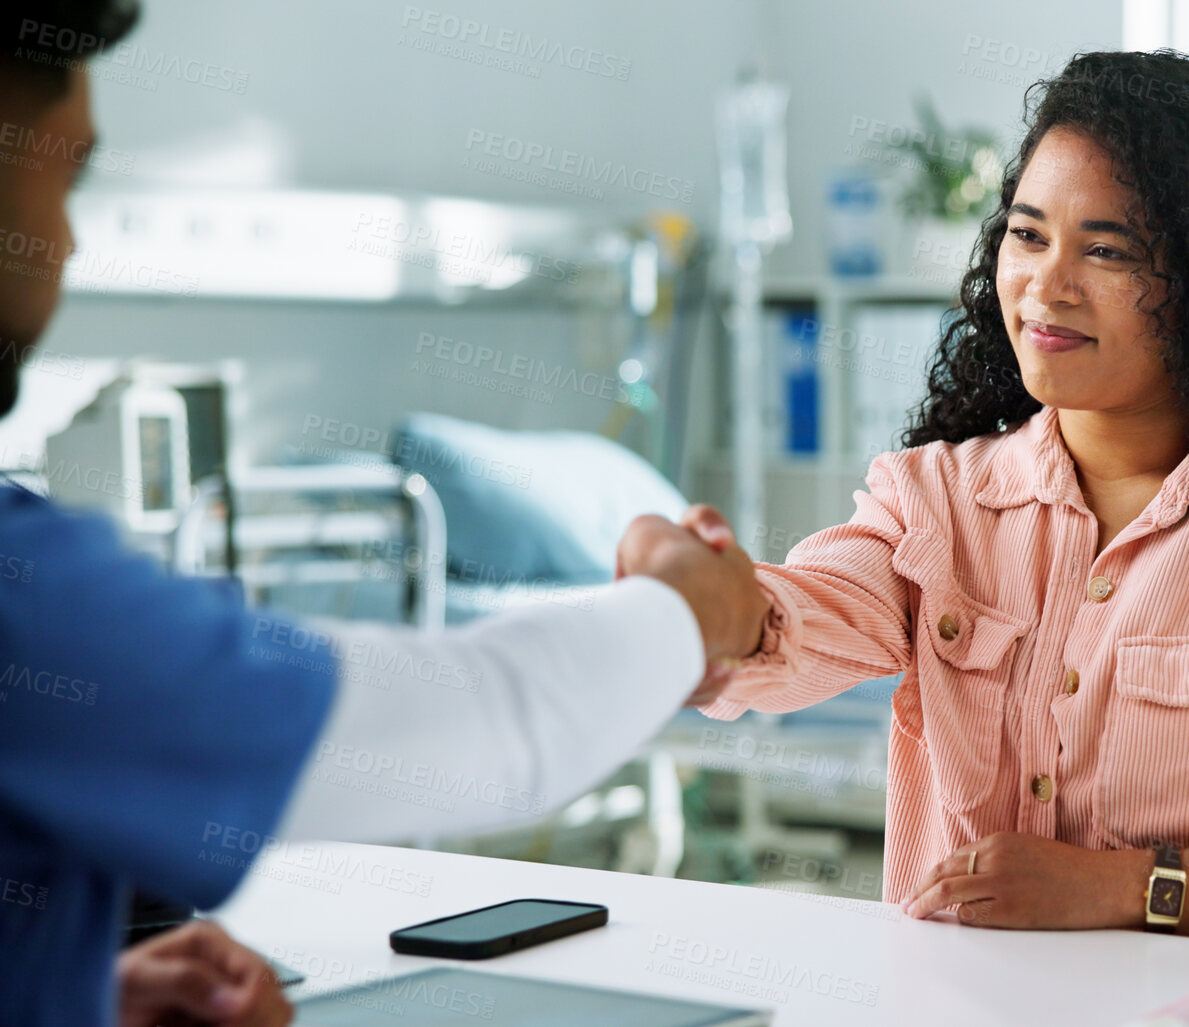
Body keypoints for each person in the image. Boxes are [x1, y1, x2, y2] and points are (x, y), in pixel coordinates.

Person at [620, 50, 1189, 958]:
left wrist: (1130, 887)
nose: (1047, 285)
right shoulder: (934, 501)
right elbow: (806, 613)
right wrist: (713, 604)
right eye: (1028, 234)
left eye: (1107, 250)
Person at [0, 3, 762, 1024]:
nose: (65, 241)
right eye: (68, 180)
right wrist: (691, 601)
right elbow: (498, 721)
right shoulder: (29, 602)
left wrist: (71, 990)